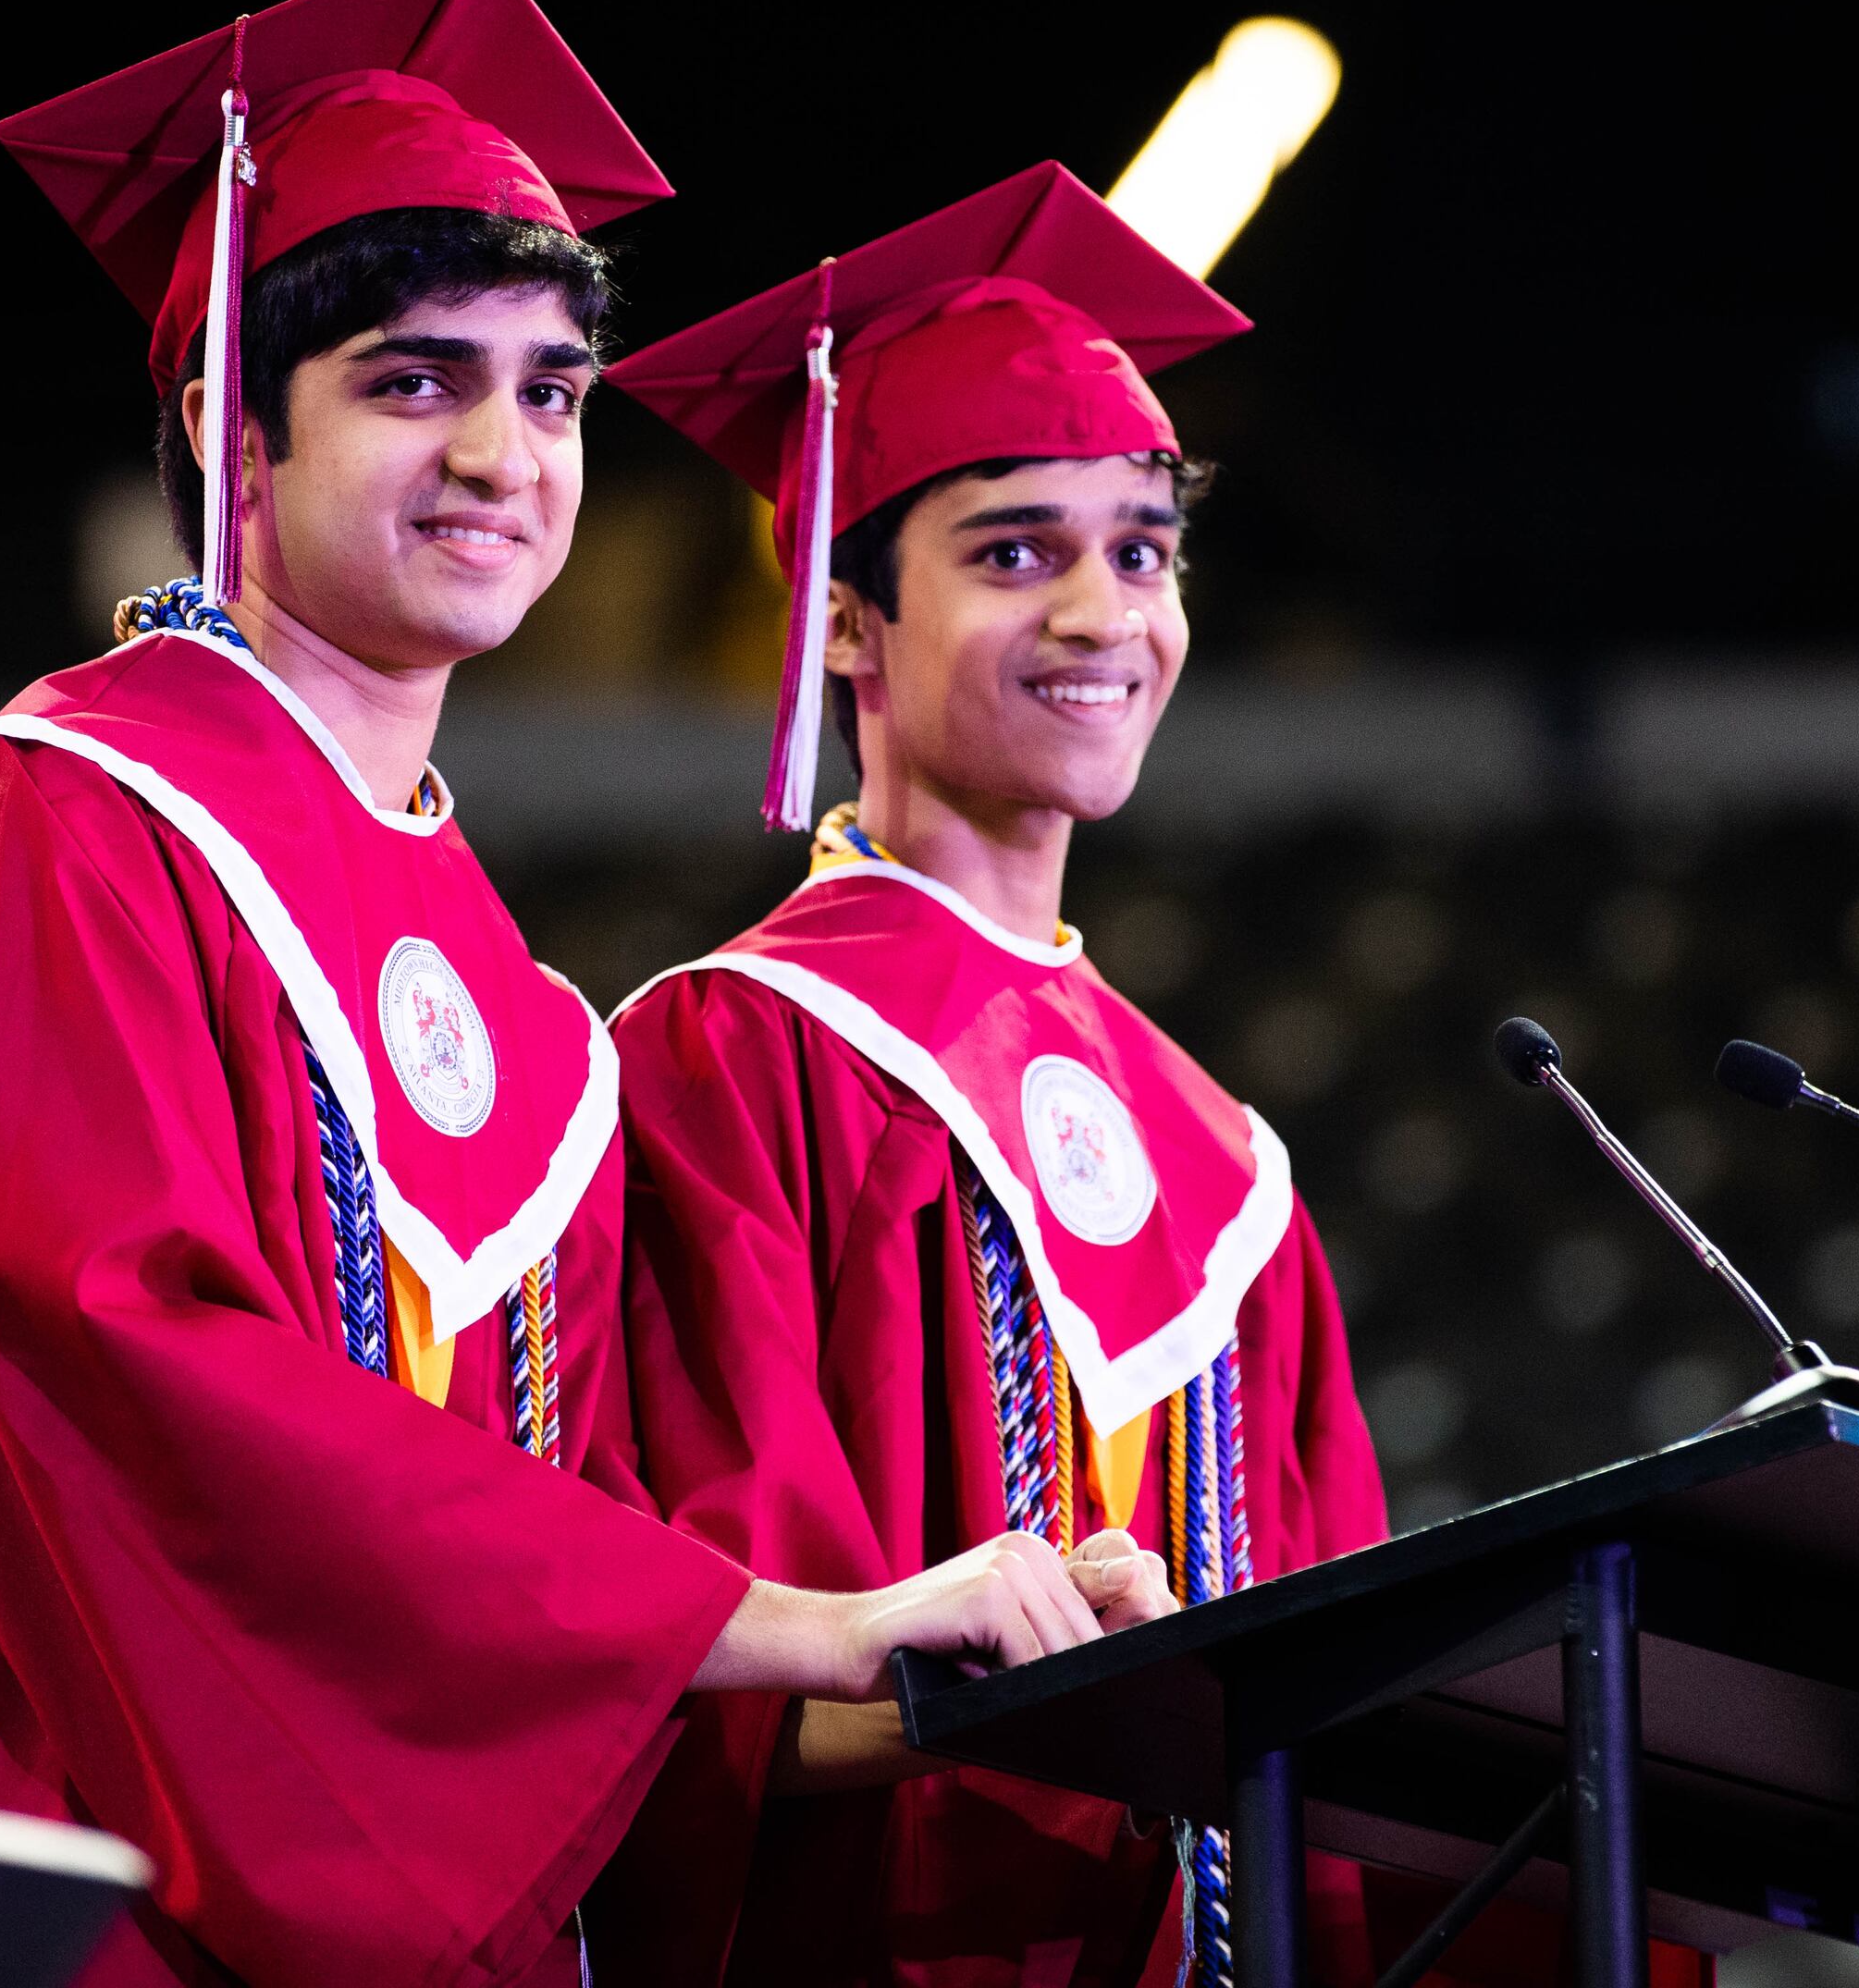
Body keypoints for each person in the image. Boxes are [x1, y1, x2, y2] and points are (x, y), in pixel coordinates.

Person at [0, 0, 1155, 1988]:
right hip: (35, 1889)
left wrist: (964, 1668)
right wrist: (794, 1616)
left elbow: (582, 1641)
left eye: (550, 391)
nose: (504, 455)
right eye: (414, 379)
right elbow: (138, 1366)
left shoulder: (524, 1018)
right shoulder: (51, 827)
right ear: (223, 422)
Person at [598, 167, 1706, 1988]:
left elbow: (1345, 1700)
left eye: (1142, 547)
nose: (1107, 611)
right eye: (1015, 550)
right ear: (846, 622)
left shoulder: (1228, 1164)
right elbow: (704, 1665)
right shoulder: (733, 1053)